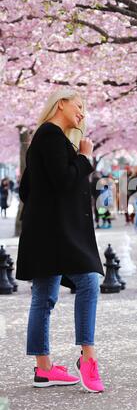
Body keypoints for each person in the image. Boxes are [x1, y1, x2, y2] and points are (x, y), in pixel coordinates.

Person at [16, 88, 105, 393]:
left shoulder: (44, 138)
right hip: (58, 234)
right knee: (89, 280)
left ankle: (44, 369)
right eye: (79, 105)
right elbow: (64, 180)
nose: (82, 112)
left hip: (46, 232)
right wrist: (84, 157)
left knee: (44, 296)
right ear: (61, 103)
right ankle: (88, 358)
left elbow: (25, 189)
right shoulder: (52, 136)